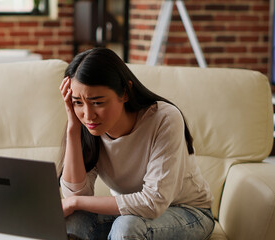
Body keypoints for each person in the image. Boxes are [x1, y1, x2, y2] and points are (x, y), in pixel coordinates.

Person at [59, 48, 214, 240]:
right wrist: (73, 129)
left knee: (127, 227)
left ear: (124, 93)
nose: (88, 115)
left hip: (189, 213)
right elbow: (77, 194)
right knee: (72, 221)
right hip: (131, 214)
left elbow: (153, 202)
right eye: (77, 103)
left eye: (97, 102)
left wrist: (75, 203)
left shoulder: (164, 118)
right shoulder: (88, 126)